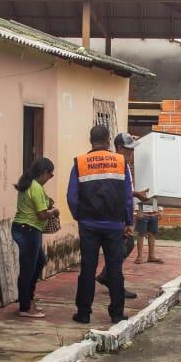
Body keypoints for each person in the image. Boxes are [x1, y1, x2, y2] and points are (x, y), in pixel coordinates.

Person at [67, 125, 134, 324]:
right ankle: (116, 313)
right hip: (114, 225)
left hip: (89, 225)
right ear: (107, 140)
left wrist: (80, 216)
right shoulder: (121, 162)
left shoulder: (80, 162)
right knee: (115, 269)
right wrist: (128, 221)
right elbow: (127, 195)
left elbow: (71, 196)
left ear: (91, 140)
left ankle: (83, 313)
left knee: (88, 268)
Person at [11, 158, 59, 318]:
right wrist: (54, 212)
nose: (50, 178)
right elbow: (42, 214)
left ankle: (28, 299)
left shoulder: (28, 184)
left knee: (38, 262)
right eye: (50, 175)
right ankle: (25, 307)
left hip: (23, 228)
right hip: (29, 230)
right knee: (28, 269)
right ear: (45, 172)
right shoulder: (36, 187)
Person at [112, 133, 163, 266]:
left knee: (125, 245)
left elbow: (126, 192)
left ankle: (109, 275)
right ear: (120, 148)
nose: (132, 152)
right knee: (123, 246)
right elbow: (120, 192)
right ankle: (109, 276)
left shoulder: (126, 164)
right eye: (129, 148)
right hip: (116, 217)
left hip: (122, 216)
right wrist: (129, 219)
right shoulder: (116, 165)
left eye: (133, 149)